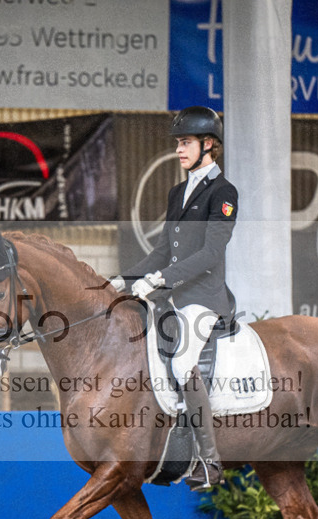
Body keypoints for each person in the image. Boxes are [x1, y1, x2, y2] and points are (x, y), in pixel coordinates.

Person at [111, 106, 238, 491]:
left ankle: (210, 462)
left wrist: (161, 279)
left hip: (204, 297)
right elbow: (162, 250)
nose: (179, 150)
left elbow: (211, 254)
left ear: (208, 145)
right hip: (174, 297)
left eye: (185, 143)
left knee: (183, 365)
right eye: (179, 143)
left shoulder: (224, 193)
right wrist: (122, 279)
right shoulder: (177, 192)